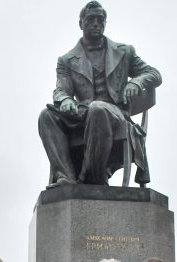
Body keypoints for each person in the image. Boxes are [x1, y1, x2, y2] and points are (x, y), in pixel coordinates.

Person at [38, 1, 162, 186]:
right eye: (90, 19)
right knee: (46, 116)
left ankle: (93, 178)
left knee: (97, 108)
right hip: (81, 116)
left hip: (115, 115)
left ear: (105, 23)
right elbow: (61, 89)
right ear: (81, 23)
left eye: (100, 20)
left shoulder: (124, 52)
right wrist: (64, 99)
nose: (96, 23)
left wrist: (136, 81)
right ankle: (67, 177)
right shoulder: (66, 60)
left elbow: (154, 74)